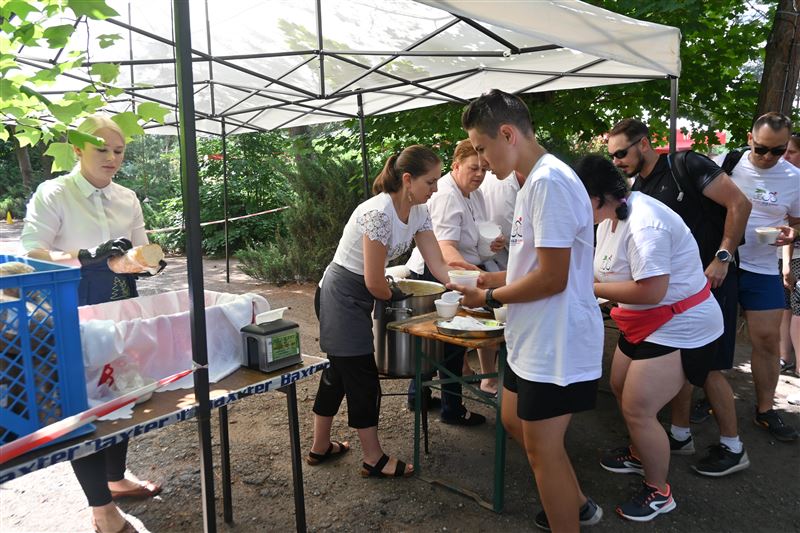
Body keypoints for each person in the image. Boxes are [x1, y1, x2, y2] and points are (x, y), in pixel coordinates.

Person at [452, 90, 604, 532]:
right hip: (531, 335)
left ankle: (569, 517)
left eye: (482, 148)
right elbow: (534, 265)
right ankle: (577, 505)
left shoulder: (549, 183)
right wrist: (492, 280)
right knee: (512, 419)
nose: (482, 161)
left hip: (555, 340)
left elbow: (554, 278)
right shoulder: (532, 182)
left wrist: (490, 299)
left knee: (542, 448)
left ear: (507, 134)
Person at [21, 114, 160, 533]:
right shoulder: (54, 193)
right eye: (102, 149)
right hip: (69, 305)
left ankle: (116, 478)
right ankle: (101, 508)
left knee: (123, 387)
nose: (112, 158)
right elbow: (32, 253)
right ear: (78, 148)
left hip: (119, 301)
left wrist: (147, 261)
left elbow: (139, 251)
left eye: (119, 150)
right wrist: (85, 256)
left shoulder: (127, 197)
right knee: (82, 401)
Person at [575, 155, 724, 522]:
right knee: (619, 384)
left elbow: (652, 290)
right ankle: (640, 452)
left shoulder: (645, 223)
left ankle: (659, 491)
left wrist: (586, 289)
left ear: (596, 198)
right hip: (644, 320)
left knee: (638, 407)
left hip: (680, 323)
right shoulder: (609, 218)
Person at [607, 118, 752, 475]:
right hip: (674, 295)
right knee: (680, 365)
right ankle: (680, 434)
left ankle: (733, 447)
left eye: (621, 153)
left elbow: (740, 203)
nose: (617, 162)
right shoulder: (639, 187)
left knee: (709, 368)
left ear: (644, 144)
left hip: (711, 282)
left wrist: (723, 257)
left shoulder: (686, 164)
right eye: (612, 156)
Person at [310, 145, 456, 478]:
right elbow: (375, 282)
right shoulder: (378, 213)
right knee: (362, 376)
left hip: (362, 292)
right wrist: (400, 297)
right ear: (408, 180)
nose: (436, 189)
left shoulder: (419, 211)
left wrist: (461, 284)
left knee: (339, 372)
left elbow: (437, 263)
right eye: (431, 182)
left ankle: (320, 446)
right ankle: (373, 459)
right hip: (340, 295)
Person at [715, 112, 800, 442]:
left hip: (762, 268)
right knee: (716, 337)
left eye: (778, 151)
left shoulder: (794, 177)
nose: (768, 157)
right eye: (761, 148)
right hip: (724, 263)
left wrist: (792, 233)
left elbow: (798, 221)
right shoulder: (727, 162)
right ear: (750, 138)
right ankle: (711, 397)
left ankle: (765, 409)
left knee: (766, 339)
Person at [406, 138, 505, 401]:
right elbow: (445, 249)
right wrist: (474, 276)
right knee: (443, 341)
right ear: (456, 165)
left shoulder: (475, 193)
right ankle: (443, 404)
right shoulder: (446, 195)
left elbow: (473, 237)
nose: (480, 174)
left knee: (446, 341)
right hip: (434, 272)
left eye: (484, 168)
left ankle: (425, 398)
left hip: (458, 270)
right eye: (474, 168)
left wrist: (491, 245)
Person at [779, 132, 800, 375]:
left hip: (789, 256)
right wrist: (785, 264)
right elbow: (789, 227)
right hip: (787, 256)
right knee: (789, 307)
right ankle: (785, 359)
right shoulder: (783, 181)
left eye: (791, 152)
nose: (785, 157)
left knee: (794, 308)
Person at [480, 170, 520, 270]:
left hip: (497, 258)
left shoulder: (503, 179)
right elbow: (507, 227)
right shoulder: (503, 183)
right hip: (499, 261)